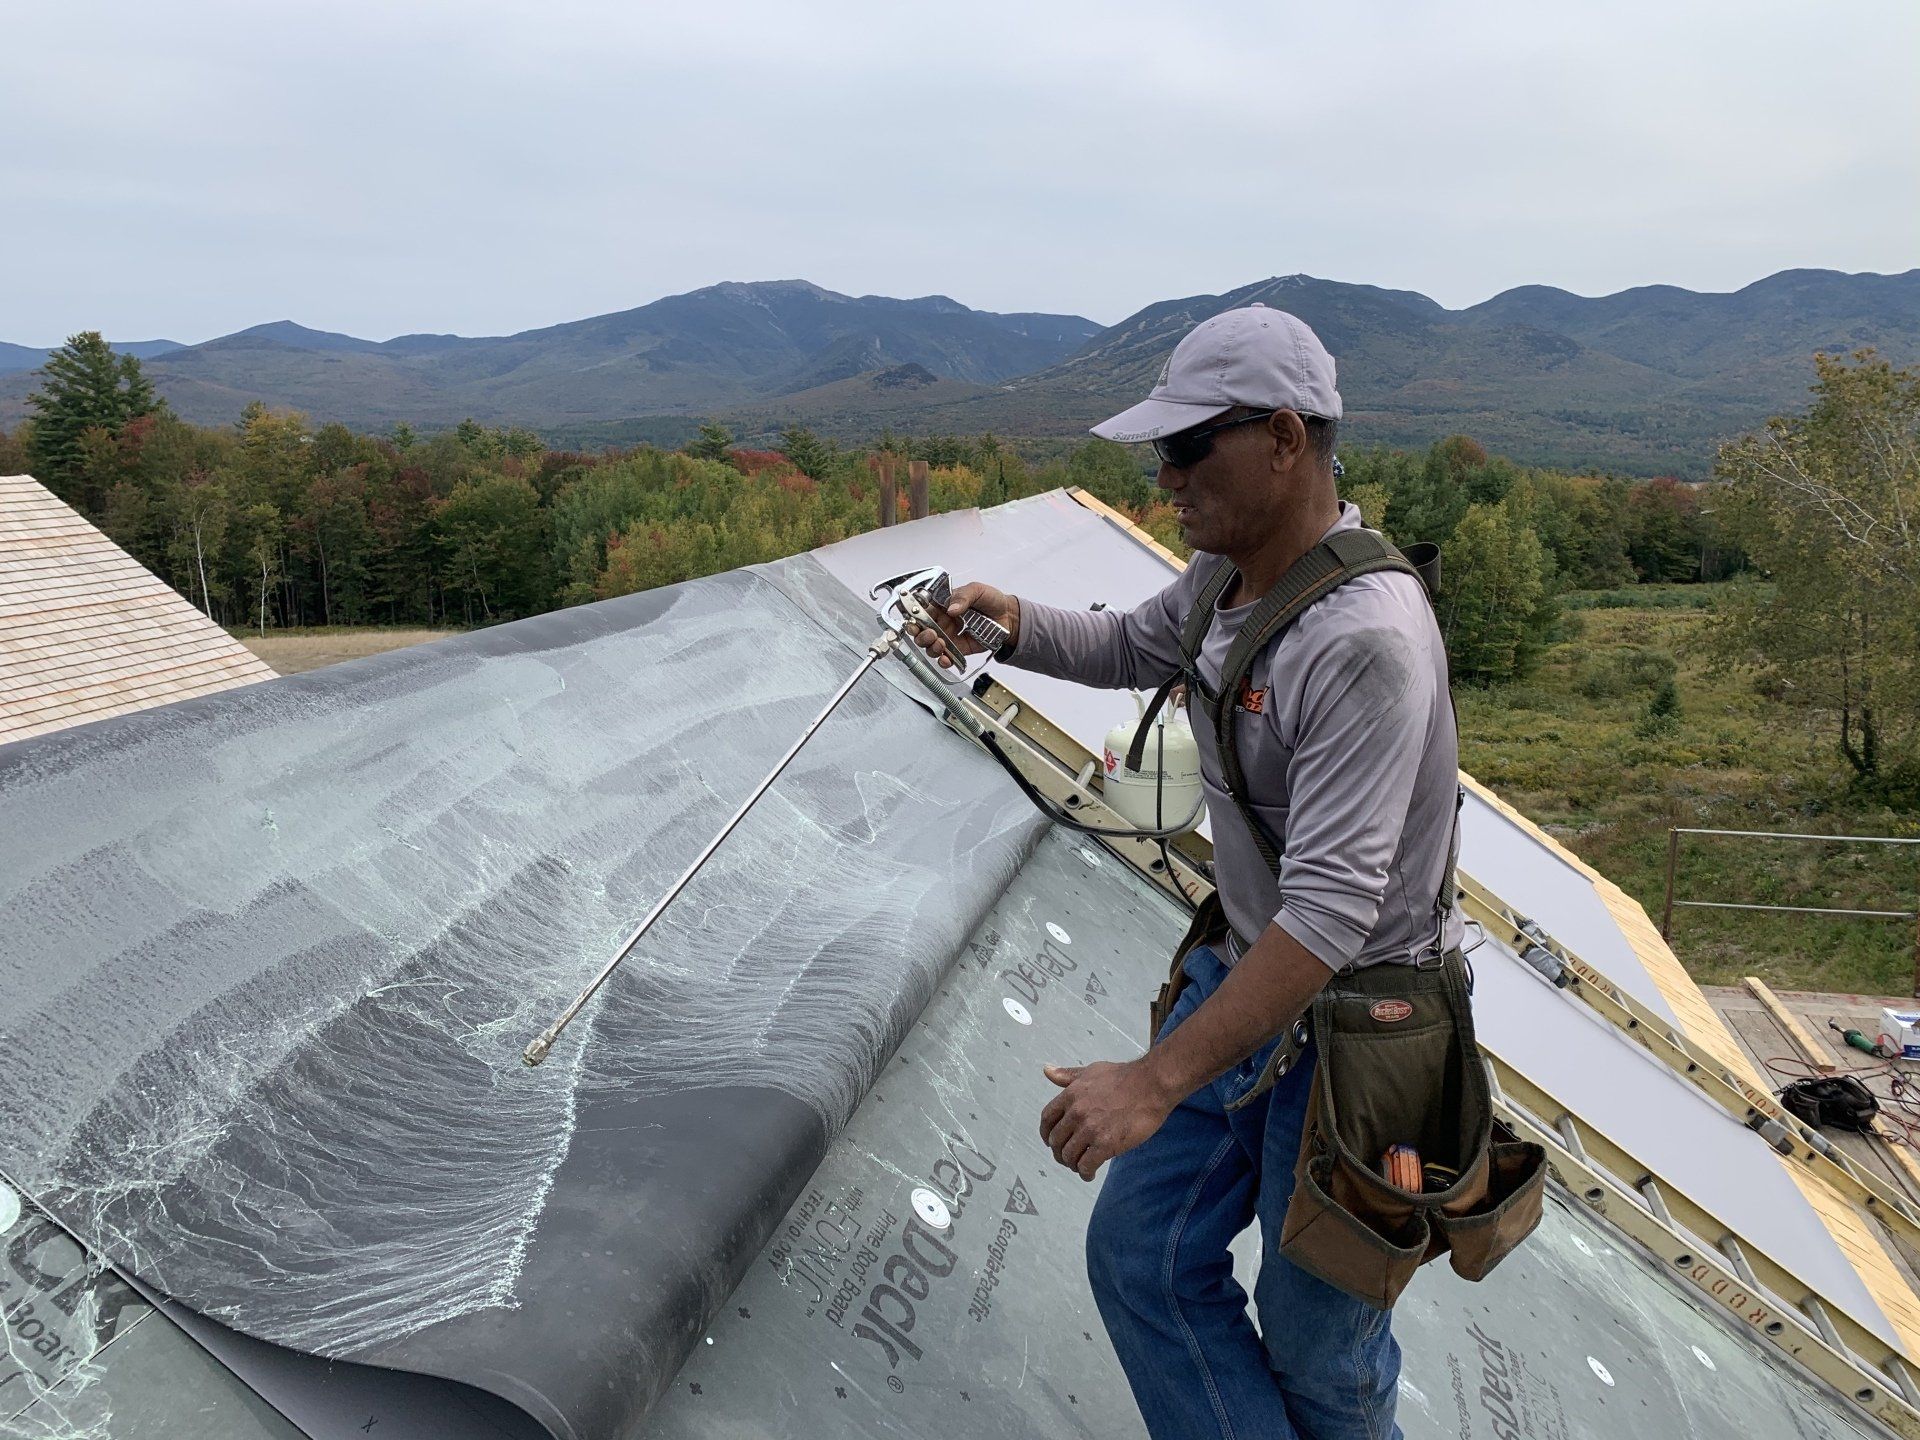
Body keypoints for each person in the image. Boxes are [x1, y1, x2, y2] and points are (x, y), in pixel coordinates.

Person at [911, 305, 1463, 1440]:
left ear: (1282, 439)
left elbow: (1329, 916)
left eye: (1184, 447)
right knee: (1143, 1261)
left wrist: (1155, 1080)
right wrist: (1007, 624)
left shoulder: (1363, 639)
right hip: (1248, 982)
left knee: (1322, 1349)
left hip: (1357, 1031)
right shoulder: (1229, 570)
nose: (1164, 477)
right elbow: (1132, 647)